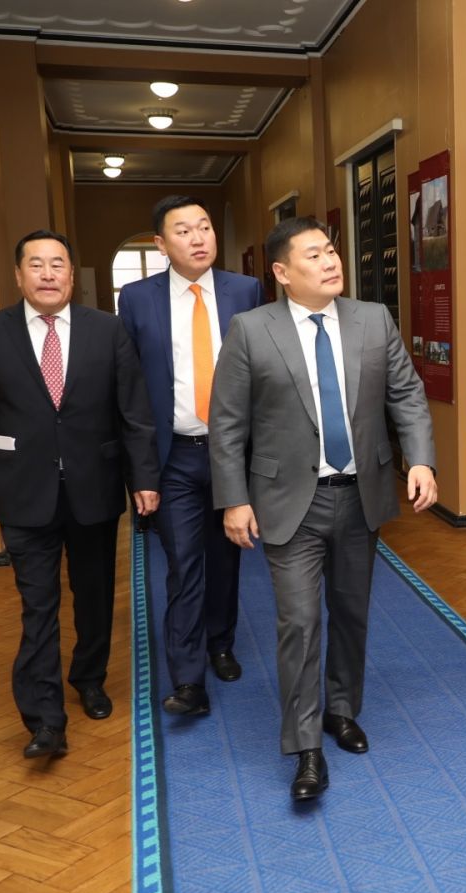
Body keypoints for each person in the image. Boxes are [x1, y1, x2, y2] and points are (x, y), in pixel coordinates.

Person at [208, 217, 437, 800]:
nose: (331, 261)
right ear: (282, 272)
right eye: (313, 254)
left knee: (351, 613)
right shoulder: (251, 330)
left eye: (331, 250)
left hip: (361, 496)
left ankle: (341, 709)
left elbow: (407, 394)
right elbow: (227, 424)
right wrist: (234, 499)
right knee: (300, 623)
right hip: (289, 503)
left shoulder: (373, 319)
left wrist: (421, 460)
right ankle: (305, 746)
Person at [0, 230, 160, 759]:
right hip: (24, 493)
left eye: (58, 264)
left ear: (71, 274)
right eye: (36, 264)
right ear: (18, 275)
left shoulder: (107, 330)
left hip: (94, 489)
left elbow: (134, 414)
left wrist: (144, 479)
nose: (48, 274)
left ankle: (89, 677)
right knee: (38, 606)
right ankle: (45, 720)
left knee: (94, 598)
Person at [118, 195, 264, 717]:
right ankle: (188, 679)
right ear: (161, 244)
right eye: (183, 230)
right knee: (184, 564)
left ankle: (220, 643)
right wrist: (140, 472)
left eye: (204, 226)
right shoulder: (137, 299)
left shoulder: (245, 291)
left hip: (233, 452)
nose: (198, 237)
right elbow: (131, 390)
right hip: (175, 454)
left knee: (227, 557)